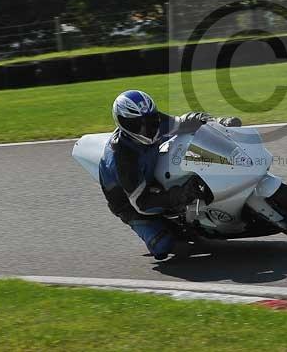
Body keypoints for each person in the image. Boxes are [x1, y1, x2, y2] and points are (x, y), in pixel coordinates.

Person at [98, 89, 242, 260]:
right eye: (138, 124)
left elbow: (185, 122)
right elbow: (141, 204)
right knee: (164, 247)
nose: (146, 129)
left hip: (150, 166)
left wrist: (217, 122)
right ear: (123, 123)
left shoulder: (155, 121)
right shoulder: (123, 157)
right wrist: (181, 194)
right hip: (128, 201)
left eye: (150, 121)